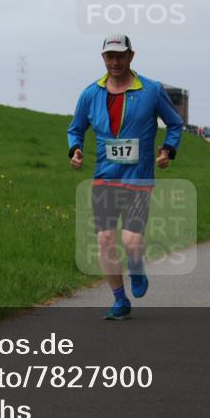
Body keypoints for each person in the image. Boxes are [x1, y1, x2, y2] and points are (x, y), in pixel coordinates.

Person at [68, 34, 183, 321]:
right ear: (103, 58)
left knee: (131, 242)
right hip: (105, 179)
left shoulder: (151, 91)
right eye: (110, 56)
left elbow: (175, 124)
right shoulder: (90, 94)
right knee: (105, 239)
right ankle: (120, 300)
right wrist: (76, 149)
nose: (115, 62)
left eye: (120, 56)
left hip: (138, 180)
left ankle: (136, 266)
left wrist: (168, 150)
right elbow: (76, 128)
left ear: (131, 56)